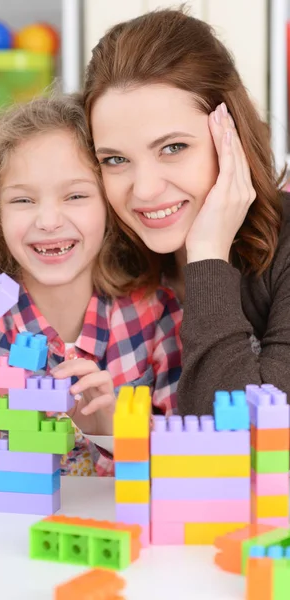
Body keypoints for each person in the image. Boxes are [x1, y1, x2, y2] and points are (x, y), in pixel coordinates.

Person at [0, 95, 182, 484]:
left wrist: (113, 432)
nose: (48, 220)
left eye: (76, 195)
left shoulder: (156, 316)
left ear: (110, 205)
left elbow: (186, 481)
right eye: (23, 199)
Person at [82, 7, 290, 415]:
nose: (144, 189)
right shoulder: (97, 250)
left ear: (231, 138)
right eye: (115, 159)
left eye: (173, 148)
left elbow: (249, 442)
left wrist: (208, 255)